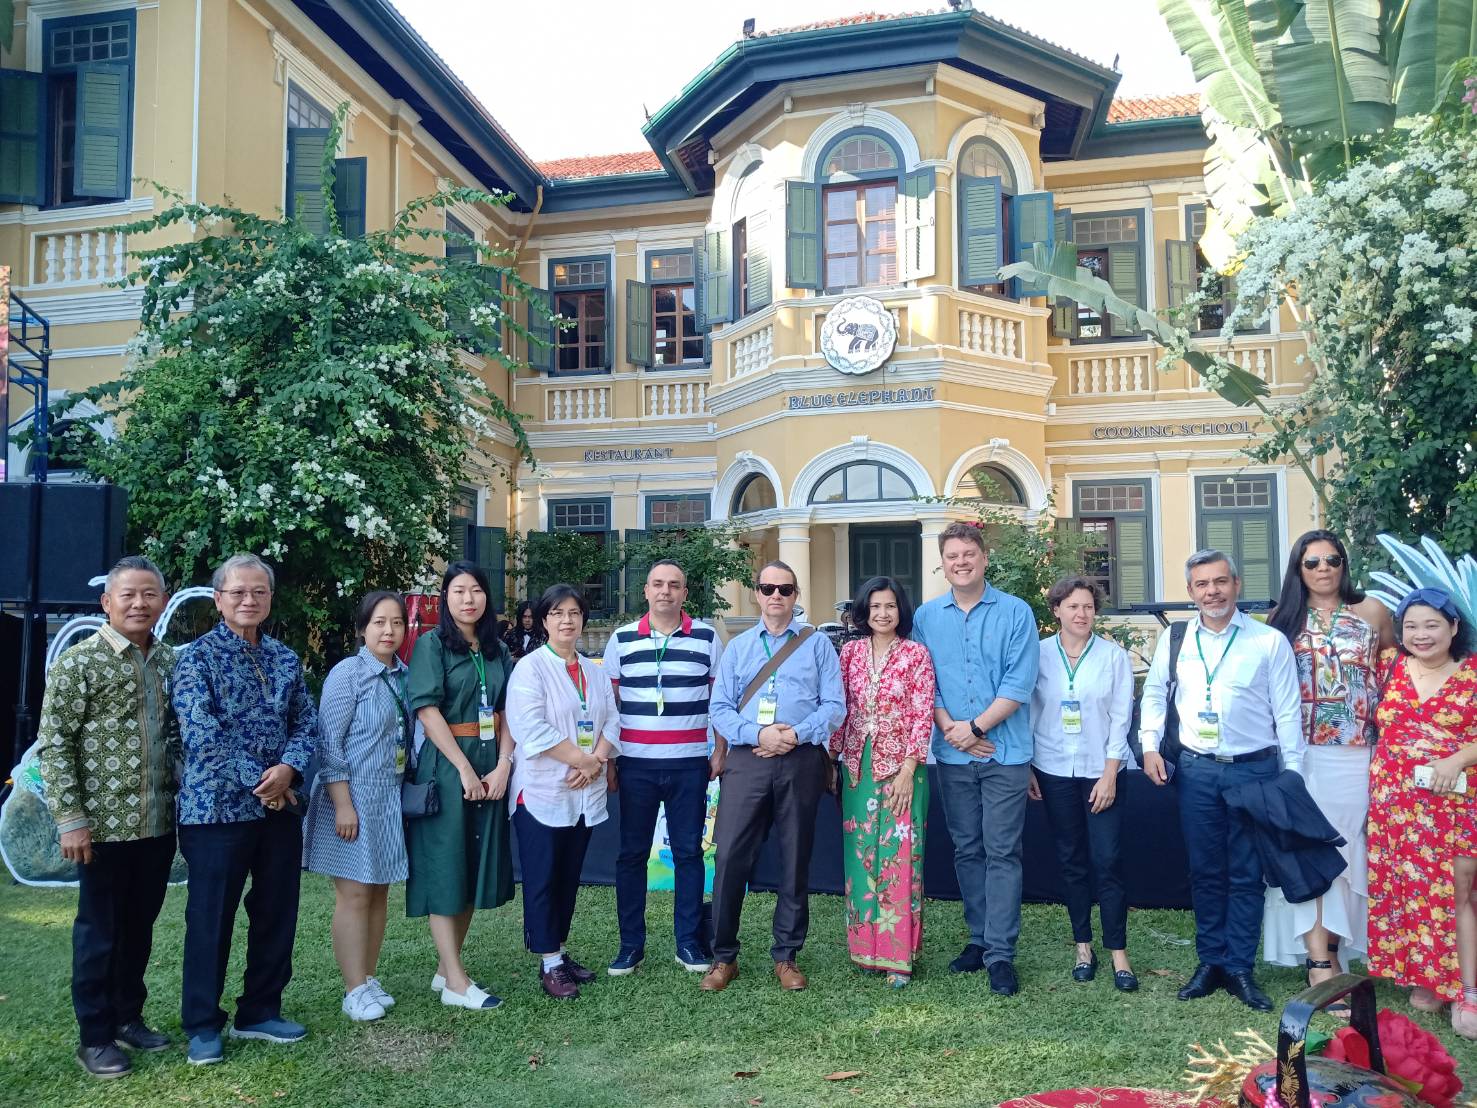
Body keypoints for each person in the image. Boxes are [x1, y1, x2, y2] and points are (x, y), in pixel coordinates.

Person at [1139, 549, 1302, 1012]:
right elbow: (1154, 695)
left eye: (1220, 582)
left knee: (1247, 874)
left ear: (1237, 584)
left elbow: (1288, 714)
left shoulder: (1268, 642)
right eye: (1202, 584)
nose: (1212, 591)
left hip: (1255, 770)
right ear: (1191, 592)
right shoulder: (1176, 638)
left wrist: (1293, 777)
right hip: (1198, 770)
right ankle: (1210, 961)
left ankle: (1239, 967)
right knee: (1206, 870)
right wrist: (1150, 745)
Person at [173, 554, 318, 1065]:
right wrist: (265, 782)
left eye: (258, 592)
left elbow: (307, 723)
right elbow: (201, 735)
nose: (248, 600)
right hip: (215, 811)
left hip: (279, 811)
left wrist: (289, 771)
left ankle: (259, 1009)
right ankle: (202, 1024)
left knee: (276, 911)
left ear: (269, 598)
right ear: (218, 599)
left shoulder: (284, 659)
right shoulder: (195, 659)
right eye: (237, 592)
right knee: (211, 917)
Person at [35, 556, 177, 1078]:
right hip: (101, 828)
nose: (139, 603)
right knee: (100, 931)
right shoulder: (80, 662)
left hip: (157, 822)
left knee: (139, 927)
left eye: (149, 594)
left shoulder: (169, 662)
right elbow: (55, 745)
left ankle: (127, 1018)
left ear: (162, 600)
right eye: (128, 595)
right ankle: (95, 1035)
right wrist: (70, 818)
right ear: (107, 603)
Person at [702, 561, 846, 993]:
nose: (776, 595)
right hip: (747, 760)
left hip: (800, 759)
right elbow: (720, 708)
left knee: (794, 857)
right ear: (757, 595)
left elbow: (834, 704)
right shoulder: (740, 647)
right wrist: (758, 733)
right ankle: (724, 956)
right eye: (768, 588)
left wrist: (794, 734)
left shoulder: (817, 645)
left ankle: (786, 955)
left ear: (795, 595)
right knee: (729, 857)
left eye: (785, 588)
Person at [1263, 531, 1393, 1000]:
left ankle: (1336, 948)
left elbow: (1392, 681)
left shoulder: (1373, 613)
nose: (1323, 569)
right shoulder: (1281, 621)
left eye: (1332, 559)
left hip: (1357, 753)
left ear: (1344, 564)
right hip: (1302, 755)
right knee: (1305, 850)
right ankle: (1320, 962)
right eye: (1311, 561)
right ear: (1298, 568)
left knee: (1344, 852)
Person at [912, 521, 1038, 997]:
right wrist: (952, 730)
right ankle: (979, 939)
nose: (961, 562)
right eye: (952, 556)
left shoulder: (1016, 612)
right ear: (942, 563)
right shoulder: (927, 617)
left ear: (984, 557)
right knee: (968, 849)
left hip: (1004, 754)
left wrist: (977, 727)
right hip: (953, 752)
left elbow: (1018, 683)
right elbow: (929, 684)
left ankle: (1001, 955)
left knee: (1002, 851)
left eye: (969, 553)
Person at [602, 560, 724, 975]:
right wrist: (613, 761)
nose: (665, 591)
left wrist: (719, 751)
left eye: (674, 584)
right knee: (631, 856)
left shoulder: (707, 637)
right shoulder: (620, 640)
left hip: (690, 765)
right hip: (636, 765)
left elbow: (719, 702)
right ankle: (630, 945)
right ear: (646, 592)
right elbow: (610, 708)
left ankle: (688, 943)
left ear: (684, 593)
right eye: (658, 584)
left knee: (689, 854)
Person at [404, 561, 515, 1011]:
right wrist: (464, 770)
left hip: (492, 761)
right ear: (445, 598)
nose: (468, 599)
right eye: (458, 591)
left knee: (472, 865)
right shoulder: (431, 645)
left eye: (476, 591)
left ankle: (445, 968)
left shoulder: (496, 649)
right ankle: (455, 981)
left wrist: (504, 765)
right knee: (445, 865)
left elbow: (510, 711)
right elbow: (427, 711)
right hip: (449, 765)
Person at [1366, 587, 1477, 1038]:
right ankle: (1431, 979)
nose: (1421, 634)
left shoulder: (1471, 674)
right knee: (1410, 889)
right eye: (1411, 625)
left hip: (1455, 800)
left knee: (1458, 891)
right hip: (1395, 802)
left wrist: (1458, 758)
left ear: (1453, 627)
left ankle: (1468, 991)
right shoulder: (1388, 665)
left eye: (1432, 624)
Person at [506, 584, 622, 999]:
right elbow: (530, 727)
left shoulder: (594, 671)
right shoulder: (530, 668)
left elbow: (611, 721)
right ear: (543, 621)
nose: (567, 620)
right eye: (557, 613)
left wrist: (598, 758)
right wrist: (583, 760)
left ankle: (559, 950)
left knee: (568, 876)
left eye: (574, 613)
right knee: (543, 877)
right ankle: (549, 962)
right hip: (542, 791)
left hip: (583, 791)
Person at [302, 591, 411, 1022]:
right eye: (379, 622)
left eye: (397, 622)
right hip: (351, 796)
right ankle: (352, 989)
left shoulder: (403, 674)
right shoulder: (347, 675)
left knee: (379, 888)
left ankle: (367, 977)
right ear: (362, 628)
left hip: (390, 795)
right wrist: (342, 803)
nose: (389, 631)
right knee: (354, 893)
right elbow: (329, 744)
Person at [1027, 576, 1138, 991]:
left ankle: (1119, 954)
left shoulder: (1112, 657)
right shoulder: (1038, 655)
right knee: (1071, 861)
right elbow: (1029, 712)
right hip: (1053, 768)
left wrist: (1111, 771)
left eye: (1088, 607)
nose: (1081, 614)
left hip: (1101, 770)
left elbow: (1121, 719)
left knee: (1107, 861)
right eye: (1072, 606)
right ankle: (1083, 947)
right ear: (1056, 610)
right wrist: (1028, 768)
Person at [830, 575, 934, 987]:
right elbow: (842, 707)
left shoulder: (916, 655)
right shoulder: (850, 652)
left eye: (889, 606)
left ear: (900, 610)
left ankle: (897, 956)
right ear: (863, 612)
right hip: (856, 766)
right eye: (874, 607)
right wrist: (831, 757)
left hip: (901, 769)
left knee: (899, 858)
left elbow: (922, 714)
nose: (882, 613)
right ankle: (865, 948)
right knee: (860, 858)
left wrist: (909, 769)